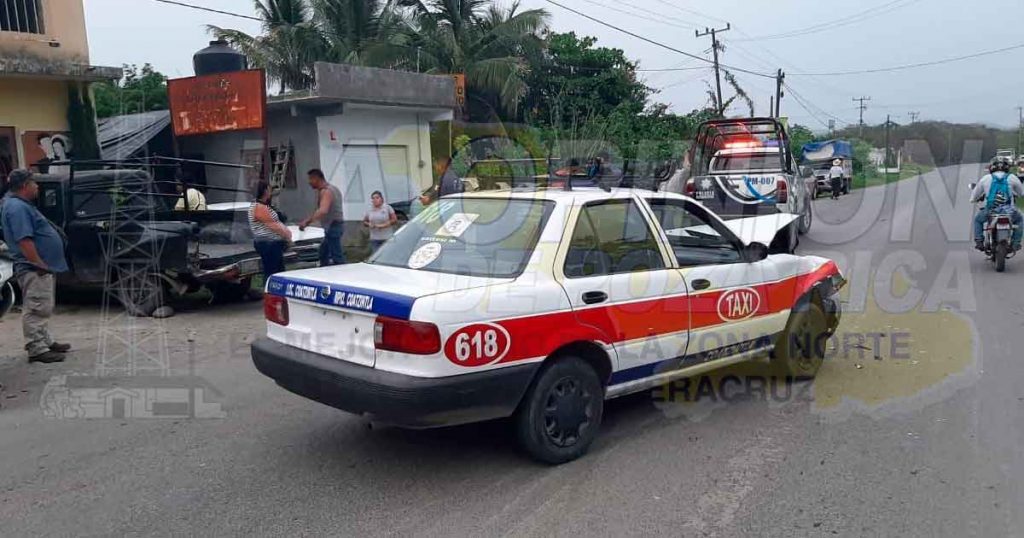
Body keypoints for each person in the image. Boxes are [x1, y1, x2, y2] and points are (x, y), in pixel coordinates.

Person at [0, 169, 70, 363]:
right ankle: (37, 348)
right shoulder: (17, 208)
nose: (37, 186)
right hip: (33, 267)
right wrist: (38, 263)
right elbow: (24, 240)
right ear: (24, 186)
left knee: (44, 306)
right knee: (36, 307)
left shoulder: (20, 205)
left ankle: (46, 341)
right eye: (34, 182)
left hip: (39, 266)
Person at [971, 159, 1024, 251]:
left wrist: (973, 199)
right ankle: (1016, 243)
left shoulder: (986, 178)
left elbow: (974, 196)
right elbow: (1021, 193)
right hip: (1009, 211)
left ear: (992, 168)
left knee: (978, 220)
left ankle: (979, 241)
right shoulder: (1012, 177)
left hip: (991, 210)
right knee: (1019, 220)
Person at [299, 168, 346, 266]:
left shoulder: (326, 191)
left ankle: (343, 276)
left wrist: (307, 222)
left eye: (310, 179)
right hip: (334, 226)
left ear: (316, 178)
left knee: (336, 256)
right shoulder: (333, 189)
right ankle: (326, 273)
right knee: (323, 252)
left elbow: (323, 210)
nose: (309, 182)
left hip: (333, 226)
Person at [248, 180, 292, 279]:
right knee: (272, 272)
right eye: (269, 188)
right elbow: (274, 226)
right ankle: (269, 292)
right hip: (268, 244)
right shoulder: (259, 207)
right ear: (264, 191)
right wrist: (287, 236)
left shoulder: (264, 206)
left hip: (272, 243)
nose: (270, 191)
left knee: (278, 272)